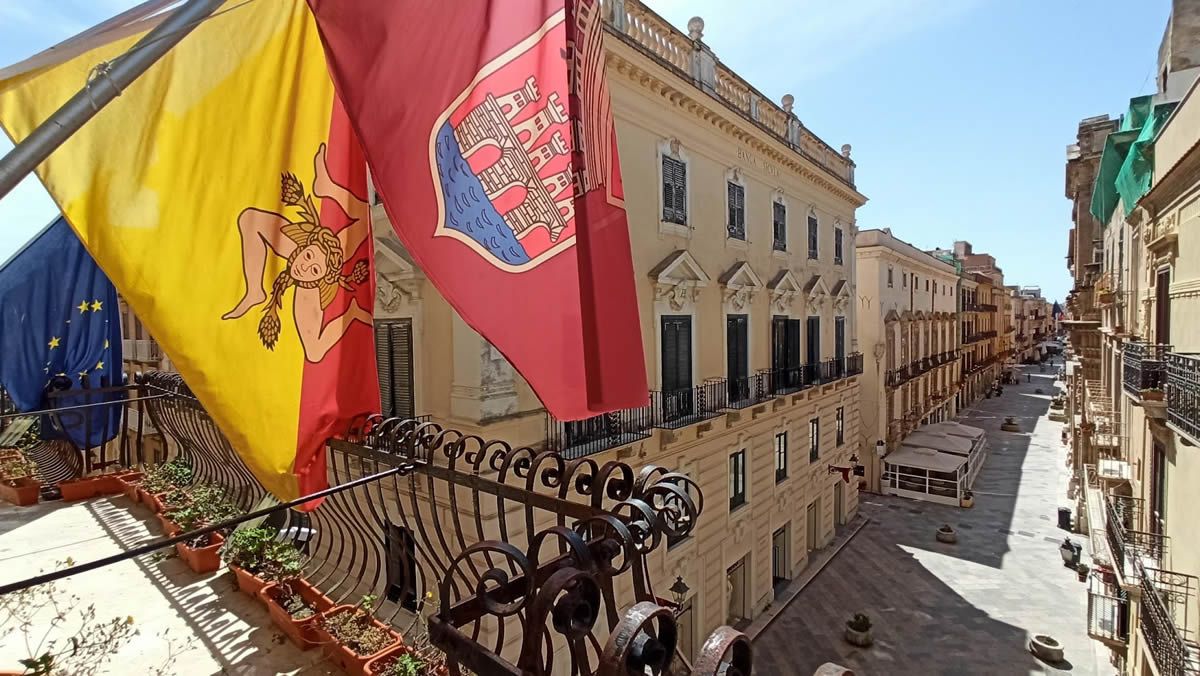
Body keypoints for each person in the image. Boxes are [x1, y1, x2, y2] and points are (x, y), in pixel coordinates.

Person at [223, 144, 372, 362]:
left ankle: (327, 187)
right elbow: (249, 220)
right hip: (312, 241)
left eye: (314, 270)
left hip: (321, 270)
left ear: (321, 277)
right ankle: (255, 291)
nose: (304, 266)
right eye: (309, 256)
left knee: (313, 351)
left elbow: (315, 353)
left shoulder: (308, 295)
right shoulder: (296, 244)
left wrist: (350, 315)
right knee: (249, 219)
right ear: (306, 247)